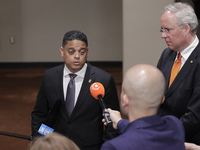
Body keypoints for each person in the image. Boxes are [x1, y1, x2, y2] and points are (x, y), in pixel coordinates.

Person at [31, 30, 120, 150]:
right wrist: (41, 138)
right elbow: (39, 114)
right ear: (62, 52)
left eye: (81, 52)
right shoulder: (50, 76)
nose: (77, 56)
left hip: (90, 146)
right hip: (57, 145)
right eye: (71, 52)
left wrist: (106, 146)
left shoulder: (103, 79)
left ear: (87, 52)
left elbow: (112, 121)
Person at [101, 64, 185, 150]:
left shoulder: (114, 146)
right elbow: (145, 128)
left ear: (125, 99)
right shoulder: (174, 125)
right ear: (162, 99)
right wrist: (119, 122)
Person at [157, 2, 200, 144]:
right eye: (162, 30)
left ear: (186, 28)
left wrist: (163, 135)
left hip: (188, 142)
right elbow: (156, 96)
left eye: (168, 30)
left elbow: (194, 116)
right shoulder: (166, 54)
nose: (163, 35)